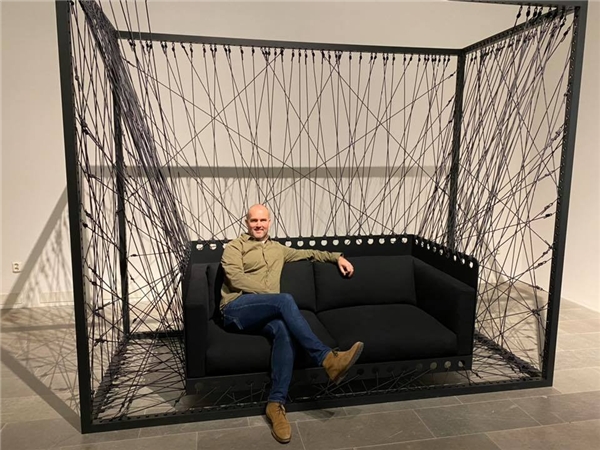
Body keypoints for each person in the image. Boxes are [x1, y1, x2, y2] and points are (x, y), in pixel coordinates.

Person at [219, 204, 364, 444]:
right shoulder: (235, 247)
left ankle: (275, 404)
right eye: (254, 220)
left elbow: (309, 253)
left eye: (263, 220)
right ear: (246, 223)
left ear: (270, 222)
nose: (258, 225)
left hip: (264, 313)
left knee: (284, 330)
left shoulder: (278, 249)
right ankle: (327, 359)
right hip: (236, 310)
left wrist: (337, 257)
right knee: (283, 300)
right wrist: (271, 296)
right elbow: (235, 278)